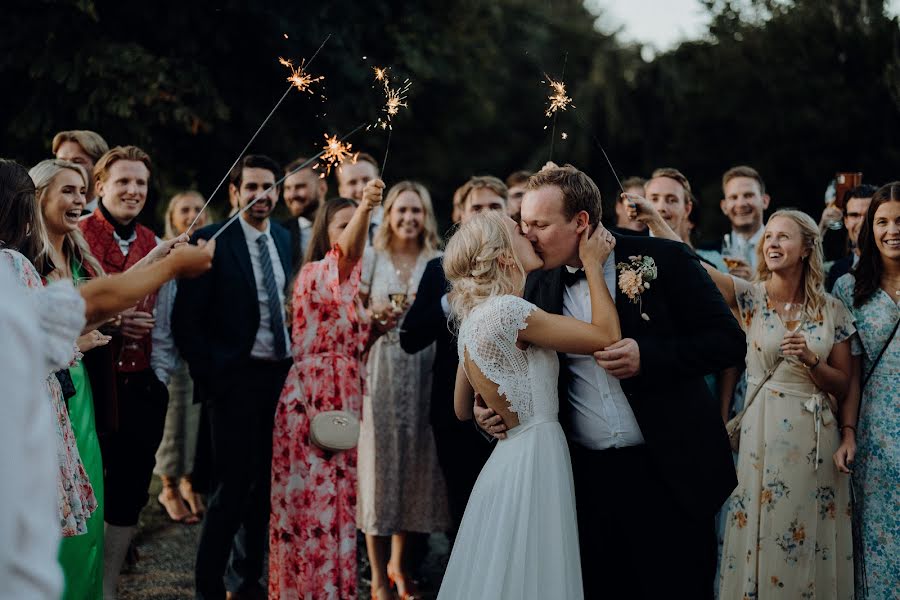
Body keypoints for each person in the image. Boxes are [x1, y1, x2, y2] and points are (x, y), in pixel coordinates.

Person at [478, 164, 744, 599]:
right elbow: (510, 366)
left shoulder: (665, 259)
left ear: (581, 222)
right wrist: (488, 406)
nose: (527, 235)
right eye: (524, 224)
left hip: (669, 471)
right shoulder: (531, 285)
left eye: (539, 224)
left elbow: (729, 342)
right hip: (586, 480)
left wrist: (650, 357)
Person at [637, 199, 857, 598]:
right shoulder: (750, 298)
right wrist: (654, 220)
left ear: (807, 247)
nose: (772, 243)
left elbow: (843, 385)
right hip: (761, 437)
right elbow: (691, 265)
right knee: (762, 529)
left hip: (816, 441)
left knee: (808, 535)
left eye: (783, 237)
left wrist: (812, 362)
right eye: (768, 236)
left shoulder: (832, 310)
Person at [438, 209, 620, 600]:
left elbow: (460, 407)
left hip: (509, 455)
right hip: (536, 453)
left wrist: (491, 406)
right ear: (505, 256)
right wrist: (592, 263)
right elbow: (605, 335)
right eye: (518, 231)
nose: (528, 233)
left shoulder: (472, 317)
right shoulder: (511, 312)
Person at [173, 154, 293, 600]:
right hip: (233, 381)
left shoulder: (282, 238)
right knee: (229, 490)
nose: (261, 195)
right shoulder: (210, 240)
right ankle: (208, 587)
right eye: (252, 187)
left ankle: (249, 582)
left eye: (268, 187)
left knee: (265, 488)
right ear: (235, 192)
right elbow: (187, 322)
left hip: (278, 378)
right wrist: (213, 378)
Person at [268, 181, 385, 600]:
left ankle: (336, 590)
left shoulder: (353, 287)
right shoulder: (317, 272)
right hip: (312, 398)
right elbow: (349, 254)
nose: (357, 229)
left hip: (347, 395)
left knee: (341, 505)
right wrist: (367, 205)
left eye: (361, 223)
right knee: (311, 507)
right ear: (327, 231)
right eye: (346, 223)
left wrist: (379, 326)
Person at [79, 145, 174, 598]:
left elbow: (167, 319)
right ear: (101, 186)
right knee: (87, 484)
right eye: (123, 181)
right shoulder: (78, 236)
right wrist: (114, 320)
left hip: (139, 383)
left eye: (140, 182)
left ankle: (109, 583)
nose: (133, 190)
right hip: (89, 383)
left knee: (131, 487)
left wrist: (160, 376)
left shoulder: (154, 242)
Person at [400, 176, 506, 540]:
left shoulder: (523, 264)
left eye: (495, 206)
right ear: (459, 214)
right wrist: (453, 298)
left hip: (513, 405)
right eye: (477, 207)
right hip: (452, 409)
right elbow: (409, 338)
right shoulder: (437, 269)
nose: (486, 214)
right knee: (463, 503)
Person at [355, 181, 448, 598]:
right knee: (379, 469)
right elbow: (350, 310)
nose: (409, 218)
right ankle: (376, 577)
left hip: (426, 370)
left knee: (414, 469)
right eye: (402, 210)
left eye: (417, 211)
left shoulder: (438, 260)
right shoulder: (372, 258)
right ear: (388, 214)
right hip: (382, 370)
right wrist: (370, 317)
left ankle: (400, 565)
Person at [30, 158, 111, 600]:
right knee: (58, 512)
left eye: (82, 191)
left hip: (81, 397)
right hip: (43, 398)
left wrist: (160, 258)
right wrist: (83, 341)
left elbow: (105, 304)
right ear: (40, 197)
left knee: (90, 506)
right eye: (68, 191)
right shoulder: (25, 261)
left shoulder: (79, 254)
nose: (80, 200)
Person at [832, 182, 900, 599]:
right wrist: (849, 433)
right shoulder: (850, 288)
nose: (893, 230)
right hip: (876, 434)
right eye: (883, 221)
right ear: (869, 229)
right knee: (878, 541)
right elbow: (851, 374)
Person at [154, 191, 211, 524]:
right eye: (184, 208)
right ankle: (169, 488)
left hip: (201, 350)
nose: (193, 214)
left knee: (195, 420)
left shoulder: (208, 246)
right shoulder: (164, 250)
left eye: (197, 208)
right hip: (170, 349)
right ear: (172, 216)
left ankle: (191, 483)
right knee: (173, 421)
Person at [717, 165, 770, 279]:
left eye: (748, 195)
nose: (741, 204)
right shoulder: (711, 253)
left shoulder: (783, 249)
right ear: (724, 206)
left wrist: (755, 280)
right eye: (733, 197)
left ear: (764, 201)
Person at [824, 184, 877, 291]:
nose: (862, 223)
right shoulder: (836, 271)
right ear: (846, 221)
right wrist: (822, 226)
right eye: (854, 215)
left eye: (869, 215)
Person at [282, 156, 327, 269]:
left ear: (322, 188)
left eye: (300, 186)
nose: (292, 195)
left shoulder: (343, 224)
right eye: (287, 188)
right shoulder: (280, 232)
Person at [52, 130, 109, 214]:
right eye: (61, 162)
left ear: (98, 166)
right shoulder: (43, 210)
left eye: (77, 161)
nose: (67, 167)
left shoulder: (114, 211)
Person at [336, 152, 381, 242]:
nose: (361, 188)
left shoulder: (399, 222)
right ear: (341, 190)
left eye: (366, 180)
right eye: (352, 182)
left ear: (380, 181)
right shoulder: (334, 230)